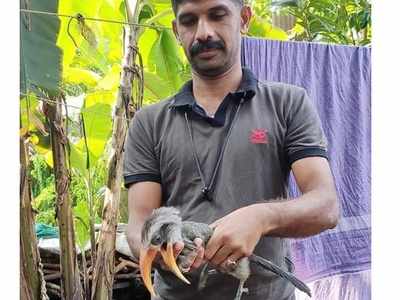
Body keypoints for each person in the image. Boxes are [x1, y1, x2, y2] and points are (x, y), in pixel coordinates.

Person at [123, 0, 339, 299]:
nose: (203, 32)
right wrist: (158, 247)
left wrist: (260, 217)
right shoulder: (149, 122)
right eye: (188, 21)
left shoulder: (288, 103)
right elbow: (138, 223)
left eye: (217, 15)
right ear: (176, 30)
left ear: (244, 18)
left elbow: (326, 206)